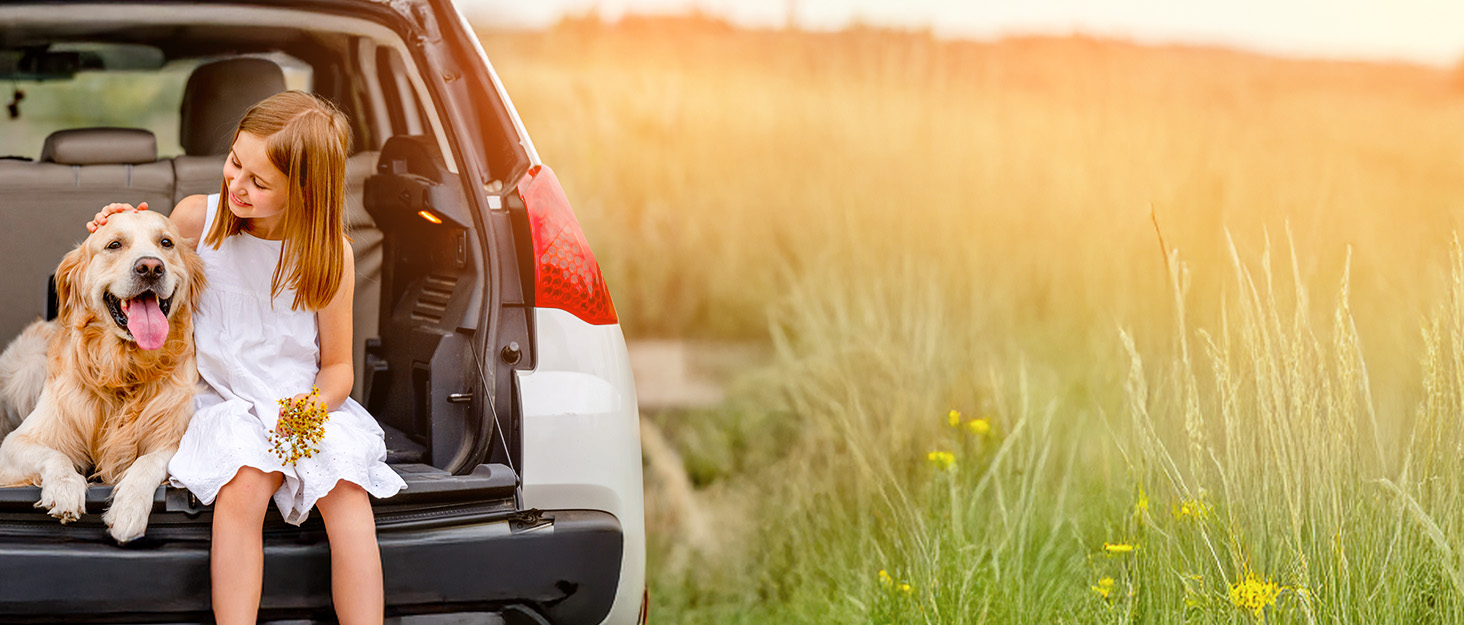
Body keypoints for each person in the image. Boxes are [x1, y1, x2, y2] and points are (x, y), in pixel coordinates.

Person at [88, 90, 406, 625]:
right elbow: (142, 255)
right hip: (221, 402)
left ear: (304, 192)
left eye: (259, 182)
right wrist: (116, 221)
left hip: (302, 404)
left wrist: (305, 415)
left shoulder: (331, 255)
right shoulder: (198, 219)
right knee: (245, 484)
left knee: (348, 493)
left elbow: (337, 369)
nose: (237, 184)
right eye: (235, 162)